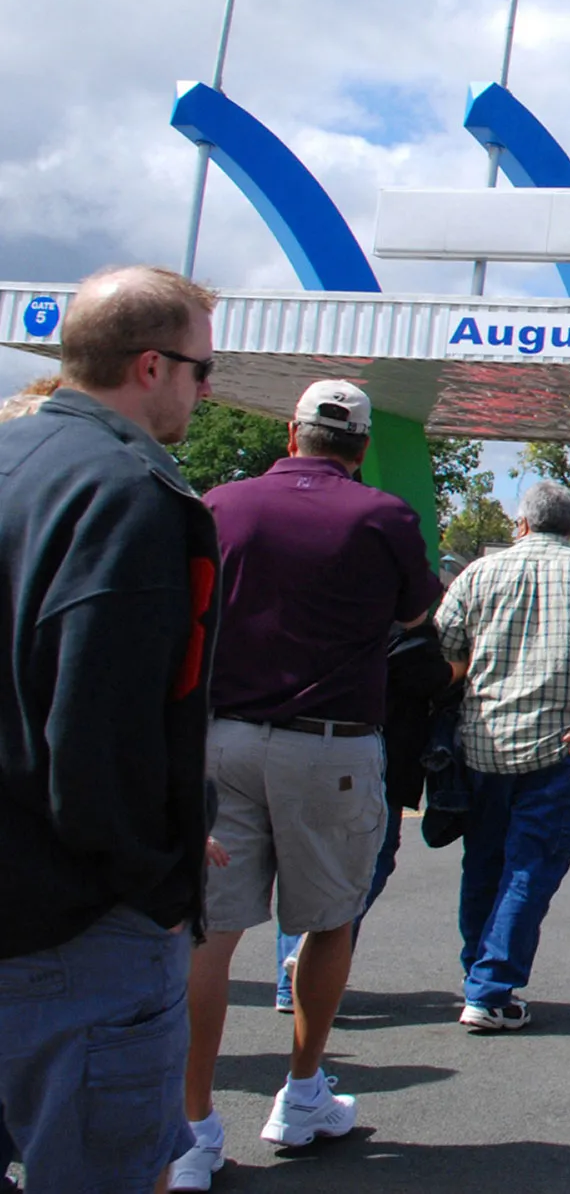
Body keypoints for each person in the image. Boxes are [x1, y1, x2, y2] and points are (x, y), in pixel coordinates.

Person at [172, 380, 440, 1187]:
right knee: (329, 921)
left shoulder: (221, 503)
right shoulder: (381, 517)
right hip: (330, 743)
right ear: (359, 445)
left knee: (210, 935)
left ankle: (192, 1130)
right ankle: (300, 1093)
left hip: (222, 737)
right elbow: (417, 613)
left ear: (292, 434)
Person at [0, 267, 218, 1192]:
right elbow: (100, 729)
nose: (205, 391)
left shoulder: (13, 462)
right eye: (202, 372)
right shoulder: (133, 496)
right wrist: (159, 882)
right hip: (78, 919)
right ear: (150, 366)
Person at [436, 480, 570, 1031]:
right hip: (560, 746)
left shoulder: (478, 572)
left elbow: (444, 641)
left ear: (521, 523)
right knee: (530, 867)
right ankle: (491, 987)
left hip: (483, 742)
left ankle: (478, 973)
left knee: (484, 862)